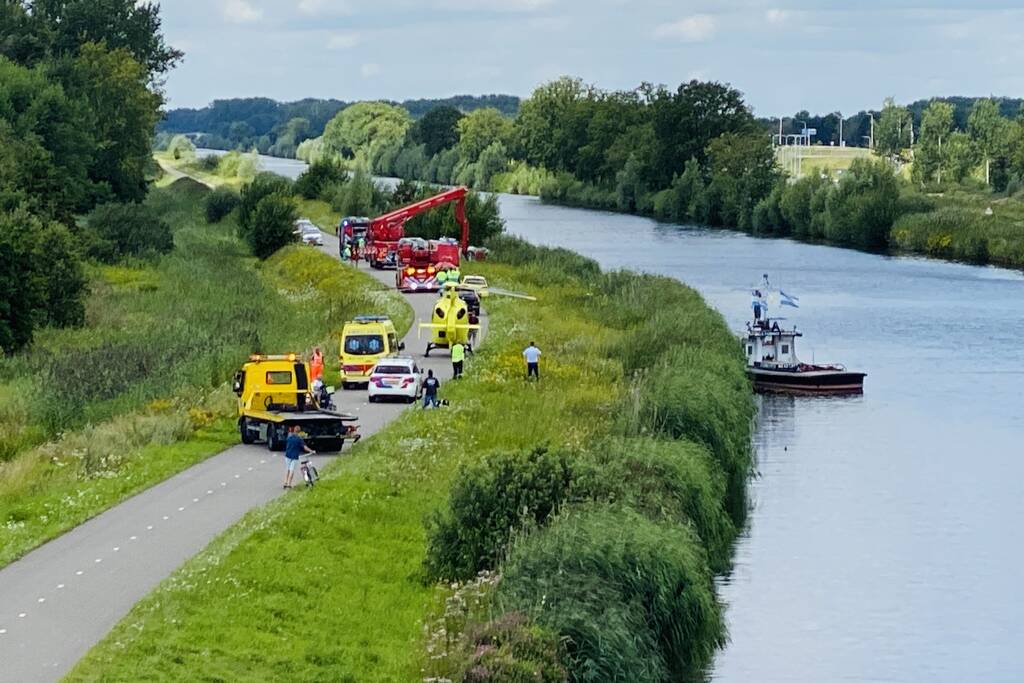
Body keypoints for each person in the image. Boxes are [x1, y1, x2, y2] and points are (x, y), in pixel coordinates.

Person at [283, 425, 314, 489]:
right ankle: (289, 484)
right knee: (292, 470)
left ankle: (285, 482)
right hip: (294, 456)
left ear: (294, 430)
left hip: (288, 455)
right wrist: (311, 451)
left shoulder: (289, 437)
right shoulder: (299, 439)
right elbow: (304, 447)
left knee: (287, 469)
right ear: (299, 432)